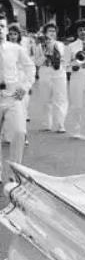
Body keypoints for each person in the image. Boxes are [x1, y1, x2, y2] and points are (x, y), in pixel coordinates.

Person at [0, 17, 35, 183]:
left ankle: (15, 173)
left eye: (1, 26)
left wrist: (24, 88)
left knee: (19, 132)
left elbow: (30, 67)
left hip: (13, 94)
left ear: (6, 30)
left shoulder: (15, 49)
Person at [33, 21, 68, 132]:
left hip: (58, 73)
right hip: (45, 72)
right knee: (45, 99)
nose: (52, 33)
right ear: (45, 33)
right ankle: (46, 124)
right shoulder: (39, 47)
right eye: (49, 31)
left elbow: (65, 60)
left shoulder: (61, 45)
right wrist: (45, 55)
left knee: (60, 99)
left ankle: (60, 124)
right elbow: (37, 62)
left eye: (54, 31)